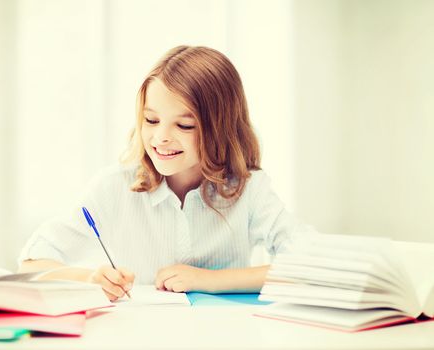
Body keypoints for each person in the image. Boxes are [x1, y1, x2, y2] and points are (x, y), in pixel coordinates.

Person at [18, 45, 313, 301]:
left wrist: (207, 280)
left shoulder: (250, 189)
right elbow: (31, 264)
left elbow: (310, 265)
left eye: (184, 125)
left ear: (221, 129)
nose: (160, 137)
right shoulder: (114, 187)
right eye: (151, 119)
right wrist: (87, 279)